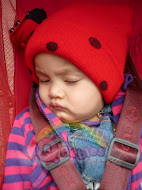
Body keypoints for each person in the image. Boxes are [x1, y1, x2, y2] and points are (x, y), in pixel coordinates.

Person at [3, 1, 142, 189]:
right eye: (44, 80)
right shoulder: (27, 126)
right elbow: (15, 183)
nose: (53, 92)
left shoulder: (133, 122)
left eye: (70, 81)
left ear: (105, 85)